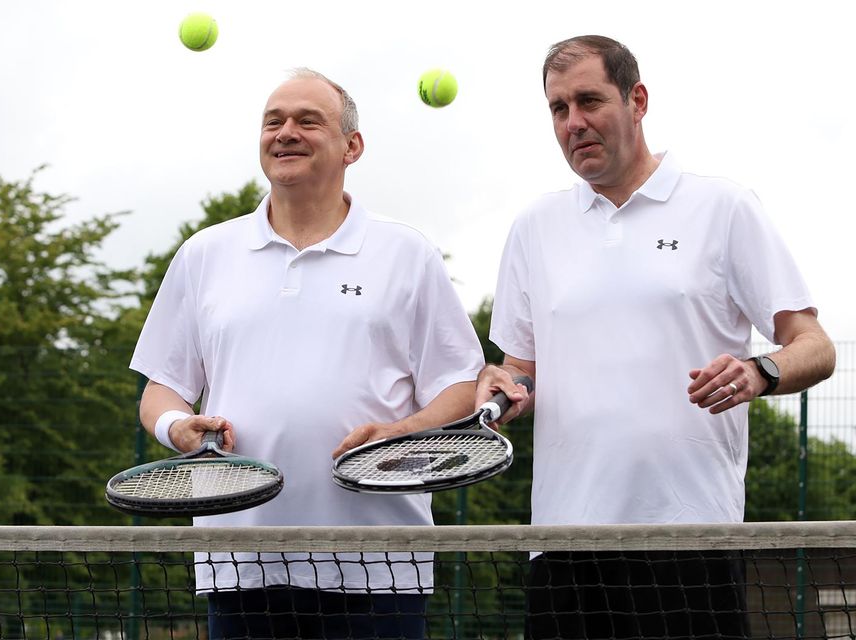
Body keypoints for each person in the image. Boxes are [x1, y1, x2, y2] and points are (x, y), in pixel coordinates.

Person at [475, 35, 836, 640]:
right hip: (562, 542)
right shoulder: (535, 227)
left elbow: (814, 345)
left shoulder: (722, 207)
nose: (574, 123)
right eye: (558, 109)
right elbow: (522, 372)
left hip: (691, 538)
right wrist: (502, 384)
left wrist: (759, 372)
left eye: (590, 101)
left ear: (637, 100)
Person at [130, 68, 484, 640]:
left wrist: (403, 430)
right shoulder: (205, 254)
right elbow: (160, 389)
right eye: (274, 121)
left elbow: (461, 384)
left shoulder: (406, 253)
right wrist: (178, 427)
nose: (285, 132)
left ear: (352, 146)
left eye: (307, 121)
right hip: (241, 565)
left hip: (381, 567)